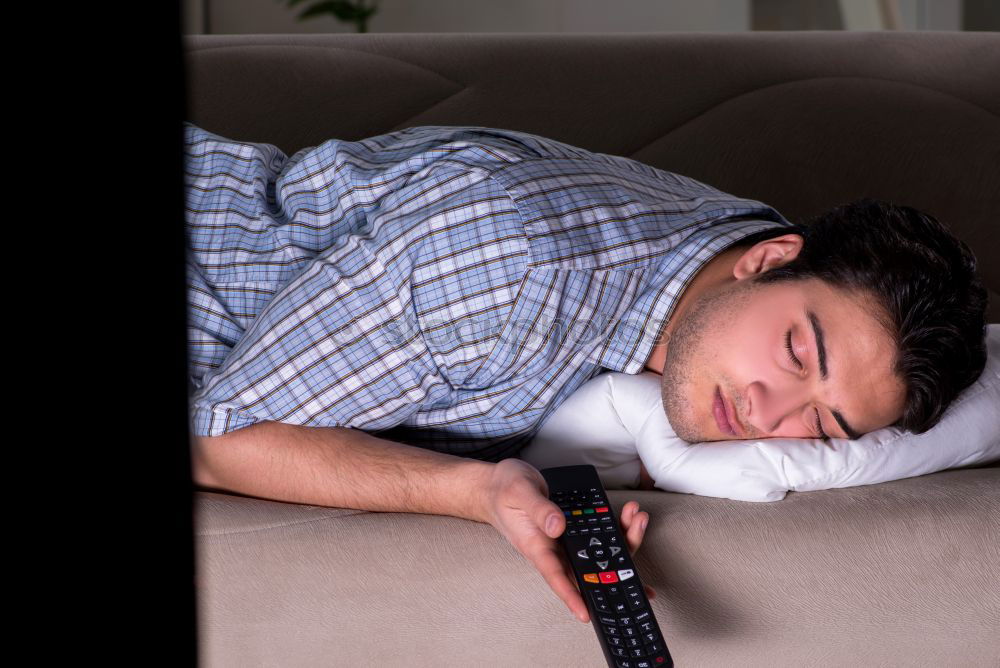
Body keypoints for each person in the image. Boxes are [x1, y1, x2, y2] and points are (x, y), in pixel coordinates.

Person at [184, 122, 988, 624]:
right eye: (796, 355)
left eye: (822, 425)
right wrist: (472, 490)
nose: (767, 412)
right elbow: (217, 440)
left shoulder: (745, 264)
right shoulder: (507, 269)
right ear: (771, 260)